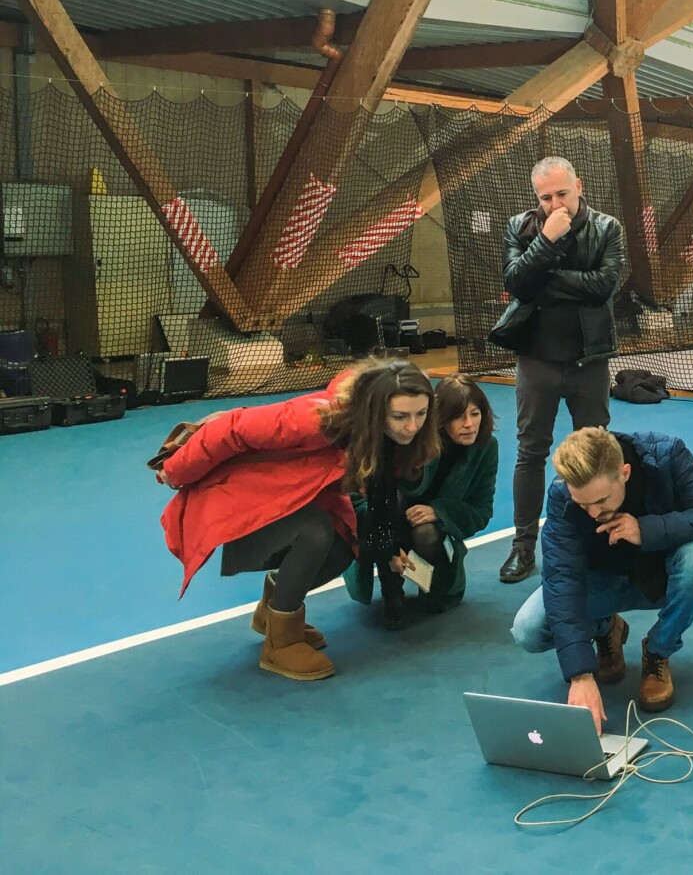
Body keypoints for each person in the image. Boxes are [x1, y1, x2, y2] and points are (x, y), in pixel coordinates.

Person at [158, 359, 438, 681]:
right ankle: (281, 644)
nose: (412, 426)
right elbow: (232, 427)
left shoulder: (386, 438)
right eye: (400, 416)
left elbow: (381, 501)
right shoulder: (315, 419)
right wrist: (176, 470)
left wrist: (389, 551)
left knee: (344, 543)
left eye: (421, 414)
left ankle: (274, 612)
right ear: (375, 410)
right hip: (240, 498)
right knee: (315, 531)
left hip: (289, 498)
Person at [510, 427, 693, 730]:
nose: (592, 513)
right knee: (528, 629)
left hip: (660, 578)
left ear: (625, 472)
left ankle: (658, 652)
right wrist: (580, 674)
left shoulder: (667, 454)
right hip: (604, 583)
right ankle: (606, 627)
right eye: (583, 504)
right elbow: (562, 579)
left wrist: (646, 530)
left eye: (601, 501)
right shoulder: (563, 495)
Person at [494, 156, 627, 585]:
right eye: (546, 197)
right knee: (531, 451)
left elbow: (602, 288)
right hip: (536, 359)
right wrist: (547, 242)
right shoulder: (520, 226)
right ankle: (523, 545)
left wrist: (543, 272)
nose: (555, 204)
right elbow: (515, 284)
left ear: (579, 186)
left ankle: (599, 536)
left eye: (562, 194)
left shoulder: (607, 228)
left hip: (589, 360)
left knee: (598, 452)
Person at [344, 373, 498, 624]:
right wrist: (384, 546)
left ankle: (434, 588)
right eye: (459, 416)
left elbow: (481, 511)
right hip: (380, 523)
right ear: (440, 418)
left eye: (475, 413)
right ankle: (390, 589)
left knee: (426, 533)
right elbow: (353, 501)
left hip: (431, 532)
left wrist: (439, 511)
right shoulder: (404, 438)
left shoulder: (486, 448)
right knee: (390, 504)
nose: (469, 424)